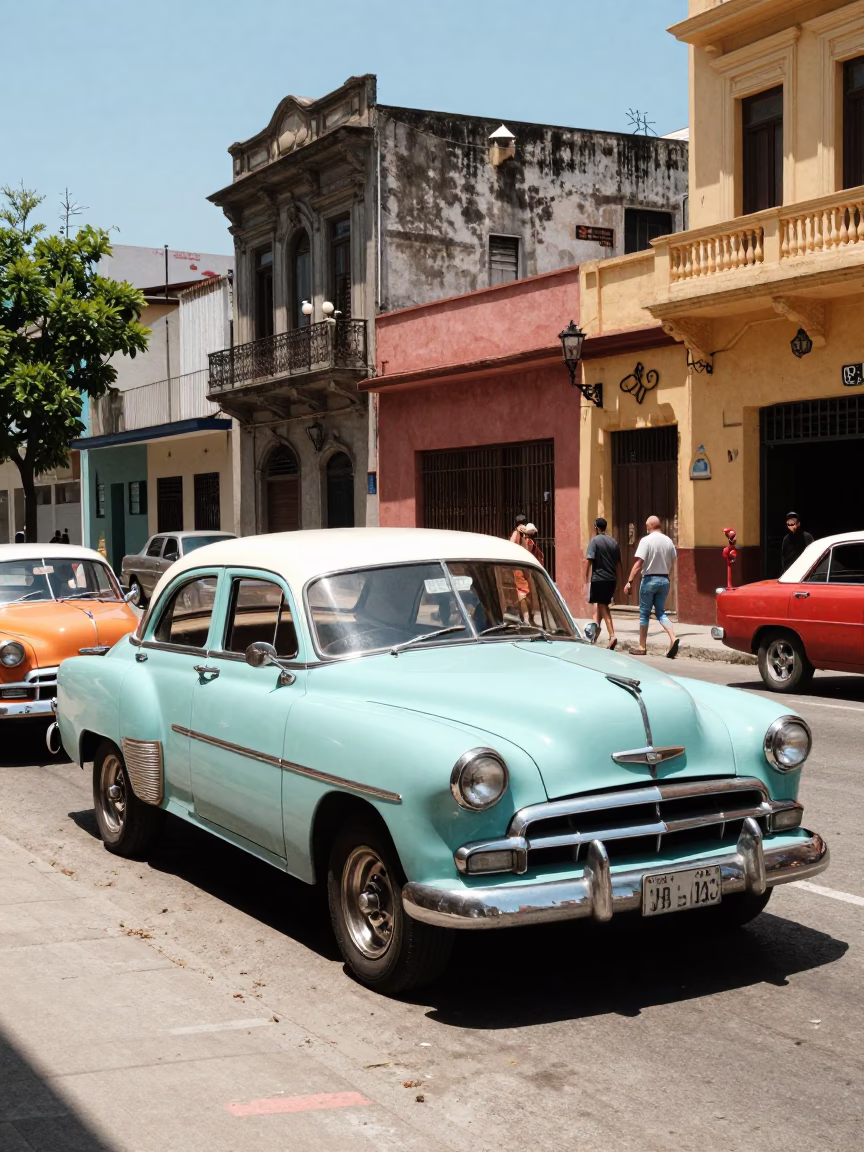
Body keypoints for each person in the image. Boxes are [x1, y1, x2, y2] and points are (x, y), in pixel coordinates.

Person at [623, 515, 679, 658]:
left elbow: (638, 563)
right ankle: (672, 638)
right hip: (664, 580)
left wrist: (629, 581)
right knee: (660, 612)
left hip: (649, 580)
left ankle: (642, 646)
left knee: (644, 613)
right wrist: (667, 575)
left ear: (649, 526)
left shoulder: (646, 541)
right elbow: (673, 561)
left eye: (646, 525)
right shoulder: (668, 541)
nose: (646, 528)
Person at [584, 517, 622, 649]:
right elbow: (618, 564)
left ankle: (612, 635)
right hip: (612, 579)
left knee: (602, 605)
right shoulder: (613, 542)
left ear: (596, 527)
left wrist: (585, 578)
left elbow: (589, 560)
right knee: (601, 605)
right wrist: (620, 580)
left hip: (599, 578)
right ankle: (595, 635)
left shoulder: (594, 541)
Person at [513, 522, 545, 622]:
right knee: (524, 593)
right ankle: (527, 618)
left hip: (524, 570)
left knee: (525, 594)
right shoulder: (525, 541)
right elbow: (540, 556)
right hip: (521, 570)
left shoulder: (526, 541)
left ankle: (528, 618)